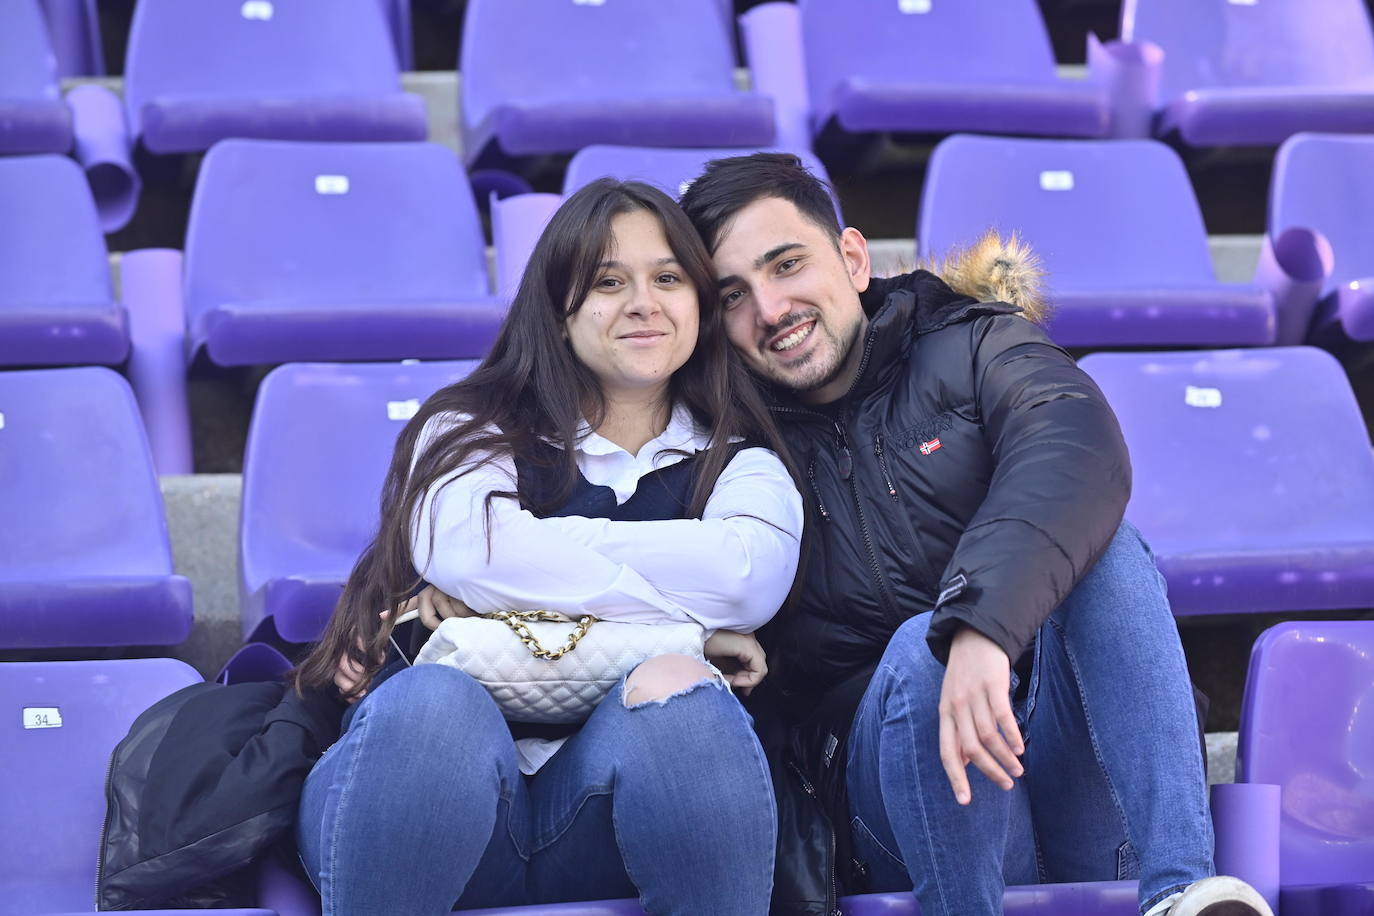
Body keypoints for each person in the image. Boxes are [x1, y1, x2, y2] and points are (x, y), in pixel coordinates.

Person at [673, 153, 1273, 916]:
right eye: (733, 295)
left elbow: (1073, 442)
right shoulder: (721, 443)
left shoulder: (971, 340)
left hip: (1060, 760)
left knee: (1109, 551)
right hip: (892, 813)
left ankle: (1180, 890)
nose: (771, 307)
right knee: (917, 655)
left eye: (787, 264)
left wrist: (980, 627)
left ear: (853, 258)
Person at [291, 178, 804, 916]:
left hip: (607, 817)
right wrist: (694, 629)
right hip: (413, 798)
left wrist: (517, 576)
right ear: (558, 311)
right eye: (606, 281)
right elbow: (470, 554)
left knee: (681, 695)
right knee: (436, 706)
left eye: (668, 279)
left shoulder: (745, 463)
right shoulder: (467, 431)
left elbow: (747, 581)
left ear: (699, 305)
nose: (642, 302)